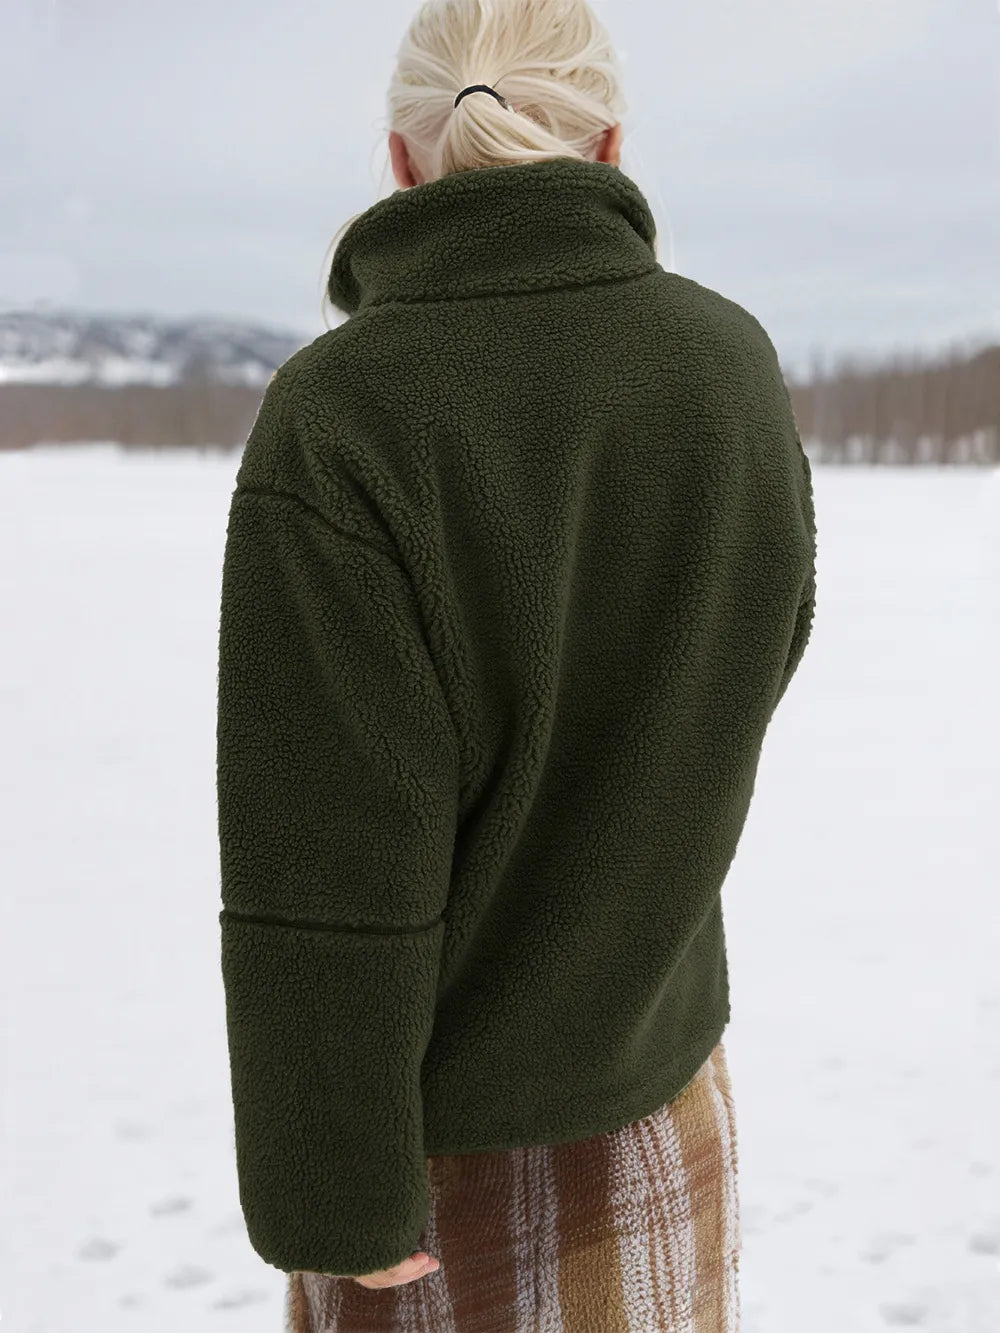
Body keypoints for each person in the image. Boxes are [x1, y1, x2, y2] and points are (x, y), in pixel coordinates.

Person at [214, 1, 818, 1329]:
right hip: (667, 1099)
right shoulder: (730, 366)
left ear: (400, 158)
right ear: (609, 142)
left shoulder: (344, 413)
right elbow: (741, 674)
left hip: (429, 1160)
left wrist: (335, 1196)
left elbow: (323, 861)